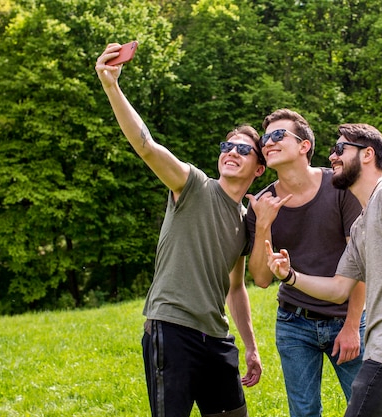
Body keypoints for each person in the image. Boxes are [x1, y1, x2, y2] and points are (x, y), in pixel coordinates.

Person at [95, 42, 265, 417]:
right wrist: (112, 86)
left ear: (259, 169)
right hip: (171, 330)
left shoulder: (243, 222)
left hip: (216, 338)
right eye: (227, 145)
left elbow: (236, 288)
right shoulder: (193, 185)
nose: (231, 152)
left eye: (243, 149)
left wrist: (250, 347)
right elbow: (146, 147)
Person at [265, 123, 382, 417]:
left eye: (340, 149)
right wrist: (289, 276)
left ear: (367, 154)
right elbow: (338, 289)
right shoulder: (361, 223)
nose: (332, 157)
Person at [245, 109, 366, 417]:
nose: (268, 143)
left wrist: (353, 326)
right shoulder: (261, 204)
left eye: (278, 135)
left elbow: (361, 264)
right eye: (265, 138)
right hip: (293, 323)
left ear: (304, 146)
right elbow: (260, 278)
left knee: (369, 408)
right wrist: (263, 225)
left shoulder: (340, 188)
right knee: (304, 413)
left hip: (346, 319)